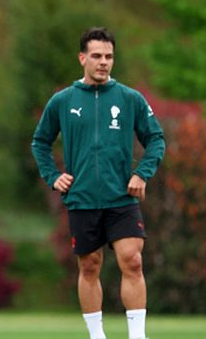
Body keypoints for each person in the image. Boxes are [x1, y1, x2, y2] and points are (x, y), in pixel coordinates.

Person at [31, 27, 165, 339]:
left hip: (122, 199)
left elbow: (156, 139)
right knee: (89, 266)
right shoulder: (62, 101)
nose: (103, 62)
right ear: (82, 58)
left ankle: (137, 336)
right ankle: (97, 335)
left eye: (109, 57)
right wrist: (53, 176)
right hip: (83, 199)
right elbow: (40, 143)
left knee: (132, 259)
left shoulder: (129, 99)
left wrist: (142, 173)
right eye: (97, 56)